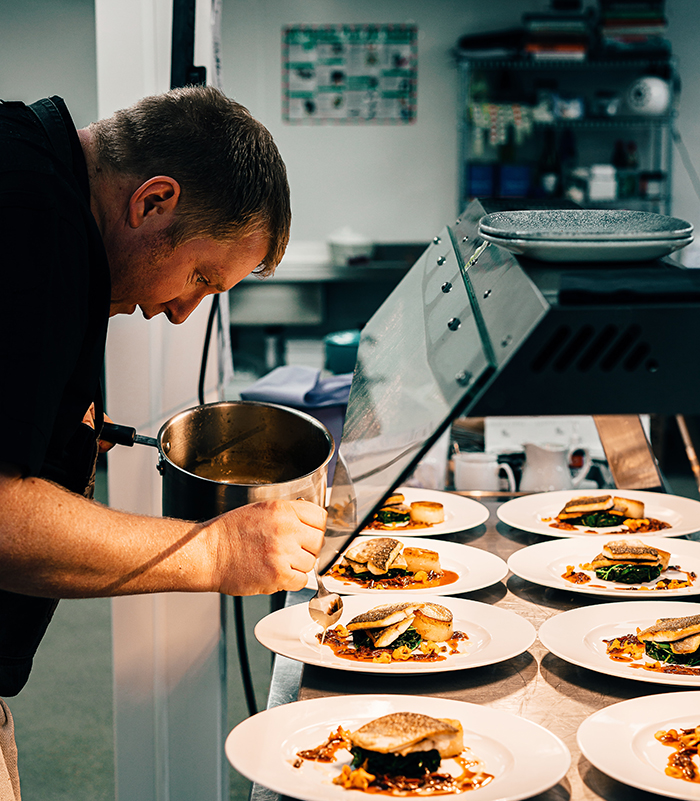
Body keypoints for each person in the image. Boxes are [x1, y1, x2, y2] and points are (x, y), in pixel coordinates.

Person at [0, 86, 326, 800]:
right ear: (153, 201)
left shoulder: (31, 169)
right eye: (202, 277)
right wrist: (219, 549)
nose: (183, 312)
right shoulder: (33, 217)